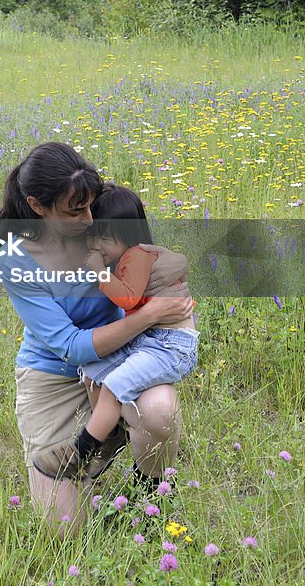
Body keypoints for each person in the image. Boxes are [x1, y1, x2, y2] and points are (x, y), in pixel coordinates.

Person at [0, 142, 194, 533]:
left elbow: (158, 260)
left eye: (90, 204)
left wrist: (172, 293)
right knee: (66, 530)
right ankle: (101, 441)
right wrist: (149, 315)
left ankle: (148, 497)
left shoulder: (99, 213)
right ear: (37, 206)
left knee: (160, 411)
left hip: (122, 353)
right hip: (55, 374)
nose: (89, 219)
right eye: (74, 211)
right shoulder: (15, 257)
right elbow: (70, 347)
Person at [32, 183, 198, 480]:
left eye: (104, 240)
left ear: (127, 236)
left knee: (114, 386)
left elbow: (127, 299)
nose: (97, 247)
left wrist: (99, 270)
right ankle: (110, 434)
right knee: (93, 367)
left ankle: (82, 450)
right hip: (145, 339)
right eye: (94, 238)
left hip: (169, 345)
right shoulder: (125, 254)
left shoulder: (135, 256)